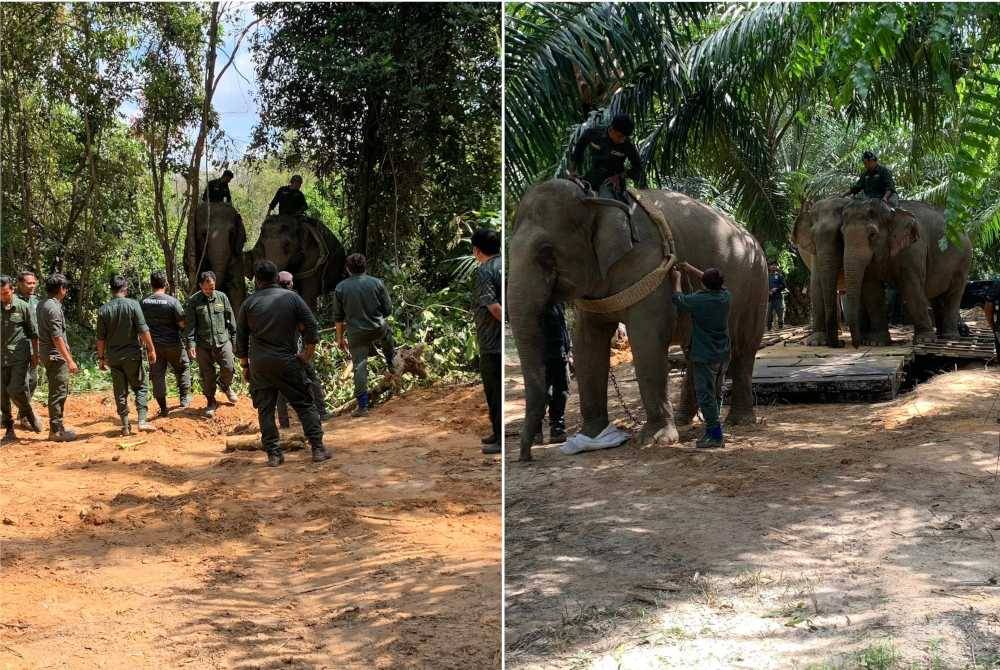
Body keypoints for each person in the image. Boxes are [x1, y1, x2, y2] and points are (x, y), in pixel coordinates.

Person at [236, 260, 329, 466]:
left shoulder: (248, 304)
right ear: (276, 278)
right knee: (305, 404)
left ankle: (274, 454)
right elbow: (312, 326)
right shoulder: (292, 298)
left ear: (257, 280)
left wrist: (245, 366)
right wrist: (307, 354)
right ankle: (318, 448)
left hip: (260, 365)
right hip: (288, 361)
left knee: (265, 411)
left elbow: (240, 338)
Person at [670, 262, 731, 449]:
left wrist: (678, 279)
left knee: (705, 396)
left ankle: (715, 435)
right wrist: (691, 268)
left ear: (704, 284)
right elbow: (712, 282)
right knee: (716, 393)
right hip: (722, 354)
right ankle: (714, 427)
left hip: (705, 355)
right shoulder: (725, 296)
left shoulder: (699, 301)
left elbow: (678, 299)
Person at [333, 254, 396, 418]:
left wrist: (339, 339)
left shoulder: (340, 288)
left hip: (357, 334)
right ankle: (391, 362)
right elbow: (388, 310)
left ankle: (363, 407)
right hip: (377, 328)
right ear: (365, 267)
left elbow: (338, 318)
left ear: (348, 269)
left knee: (360, 366)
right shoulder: (376, 283)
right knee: (387, 334)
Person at [96, 276, 158, 436]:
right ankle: (142, 421)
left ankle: (124, 426)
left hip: (114, 357)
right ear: (125, 289)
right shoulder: (133, 305)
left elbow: (100, 339)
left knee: (120, 391)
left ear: (111, 290)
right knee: (141, 387)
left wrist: (101, 358)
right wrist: (151, 349)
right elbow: (143, 330)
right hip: (132, 355)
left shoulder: (103, 310)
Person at [275, 271, 327, 427]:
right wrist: (307, 350)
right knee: (311, 379)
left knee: (280, 387)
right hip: (296, 352)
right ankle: (322, 412)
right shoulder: (295, 300)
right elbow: (307, 325)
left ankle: (284, 422)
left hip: (276, 353)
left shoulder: (270, 300)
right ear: (291, 284)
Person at [185, 271, 238, 418]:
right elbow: (190, 326)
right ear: (201, 286)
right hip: (203, 344)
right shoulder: (194, 301)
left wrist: (234, 341)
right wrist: (191, 344)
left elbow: (231, 319)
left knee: (228, 367)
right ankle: (211, 401)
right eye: (206, 288)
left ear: (215, 284)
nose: (209, 291)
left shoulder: (222, 297)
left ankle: (224, 385)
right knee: (207, 375)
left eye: (212, 287)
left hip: (223, 341)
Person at [141, 271, 193, 416]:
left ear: (151, 284)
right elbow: (182, 324)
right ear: (166, 284)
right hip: (173, 344)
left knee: (157, 375)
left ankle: (163, 408)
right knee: (182, 368)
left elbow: (140, 325)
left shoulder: (143, 302)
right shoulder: (172, 302)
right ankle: (184, 400)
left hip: (153, 346)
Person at [36, 273, 80, 441]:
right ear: (61, 289)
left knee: (56, 391)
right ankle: (56, 431)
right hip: (55, 356)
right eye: (66, 288)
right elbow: (57, 337)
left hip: (47, 354)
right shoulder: (53, 308)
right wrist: (69, 360)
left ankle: (58, 427)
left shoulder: (42, 304)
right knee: (58, 392)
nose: (66, 291)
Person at [1, 276, 42, 445]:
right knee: (2, 394)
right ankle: (10, 429)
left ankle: (28, 412)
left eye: (5, 293)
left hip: (19, 356)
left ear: (12, 290)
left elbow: (33, 333)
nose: (3, 296)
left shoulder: (23, 307)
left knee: (16, 388)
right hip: (1, 357)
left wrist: (35, 355)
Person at [568, 113, 647, 200]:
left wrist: (619, 177)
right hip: (592, 177)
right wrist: (572, 171)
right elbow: (578, 149)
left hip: (612, 182)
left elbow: (638, 168)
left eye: (624, 137)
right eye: (619, 136)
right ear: (612, 129)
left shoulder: (627, 145)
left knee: (607, 203)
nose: (622, 140)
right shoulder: (594, 133)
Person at [472, 228, 502, 454]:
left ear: (477, 250)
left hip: (492, 343)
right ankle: (496, 433)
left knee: (494, 391)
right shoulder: (503, 266)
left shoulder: (485, 271)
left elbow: (493, 307)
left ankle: (500, 439)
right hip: (497, 341)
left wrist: (505, 321)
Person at [541, 301, 571, 444]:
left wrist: (568, 351)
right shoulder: (536, 301)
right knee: (543, 392)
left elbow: (563, 327)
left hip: (560, 352)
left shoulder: (558, 302)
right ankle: (535, 428)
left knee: (562, 391)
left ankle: (557, 427)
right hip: (542, 354)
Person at [14, 271, 39, 430]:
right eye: (28, 283)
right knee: (21, 383)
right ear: (19, 284)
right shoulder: (12, 301)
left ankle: (21, 410)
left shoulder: (36, 301)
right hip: (17, 349)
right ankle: (25, 415)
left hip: (34, 346)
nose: (32, 286)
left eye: (33, 283)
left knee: (33, 380)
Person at [766, 262, 787, 330]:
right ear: (769, 267)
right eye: (772, 265)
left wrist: (777, 289)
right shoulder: (766, 276)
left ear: (777, 267)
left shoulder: (780, 276)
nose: (773, 266)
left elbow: (784, 285)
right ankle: (769, 328)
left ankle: (781, 327)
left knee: (780, 313)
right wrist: (768, 291)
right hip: (769, 299)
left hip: (778, 298)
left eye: (775, 265)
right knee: (768, 314)